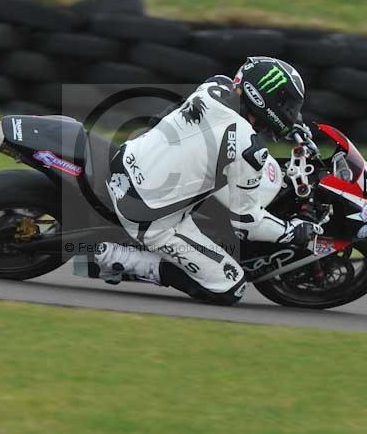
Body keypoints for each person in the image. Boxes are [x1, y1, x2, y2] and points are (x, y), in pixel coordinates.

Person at [84, 56, 321, 305]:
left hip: (128, 158)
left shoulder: (215, 86)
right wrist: (292, 232)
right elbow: (246, 224)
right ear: (266, 99)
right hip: (148, 215)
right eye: (287, 106)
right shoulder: (249, 149)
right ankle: (112, 257)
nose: (291, 114)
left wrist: (295, 126)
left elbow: (164, 115)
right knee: (230, 286)